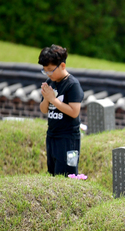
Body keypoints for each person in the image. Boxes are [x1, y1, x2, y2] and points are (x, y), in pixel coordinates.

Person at [38, 44, 83, 176]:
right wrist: (47, 99)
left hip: (68, 139)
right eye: (45, 70)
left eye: (50, 70)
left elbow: (74, 111)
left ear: (62, 66)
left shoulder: (72, 85)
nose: (48, 73)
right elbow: (43, 109)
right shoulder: (51, 82)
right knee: (52, 173)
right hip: (52, 135)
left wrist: (53, 99)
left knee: (66, 175)